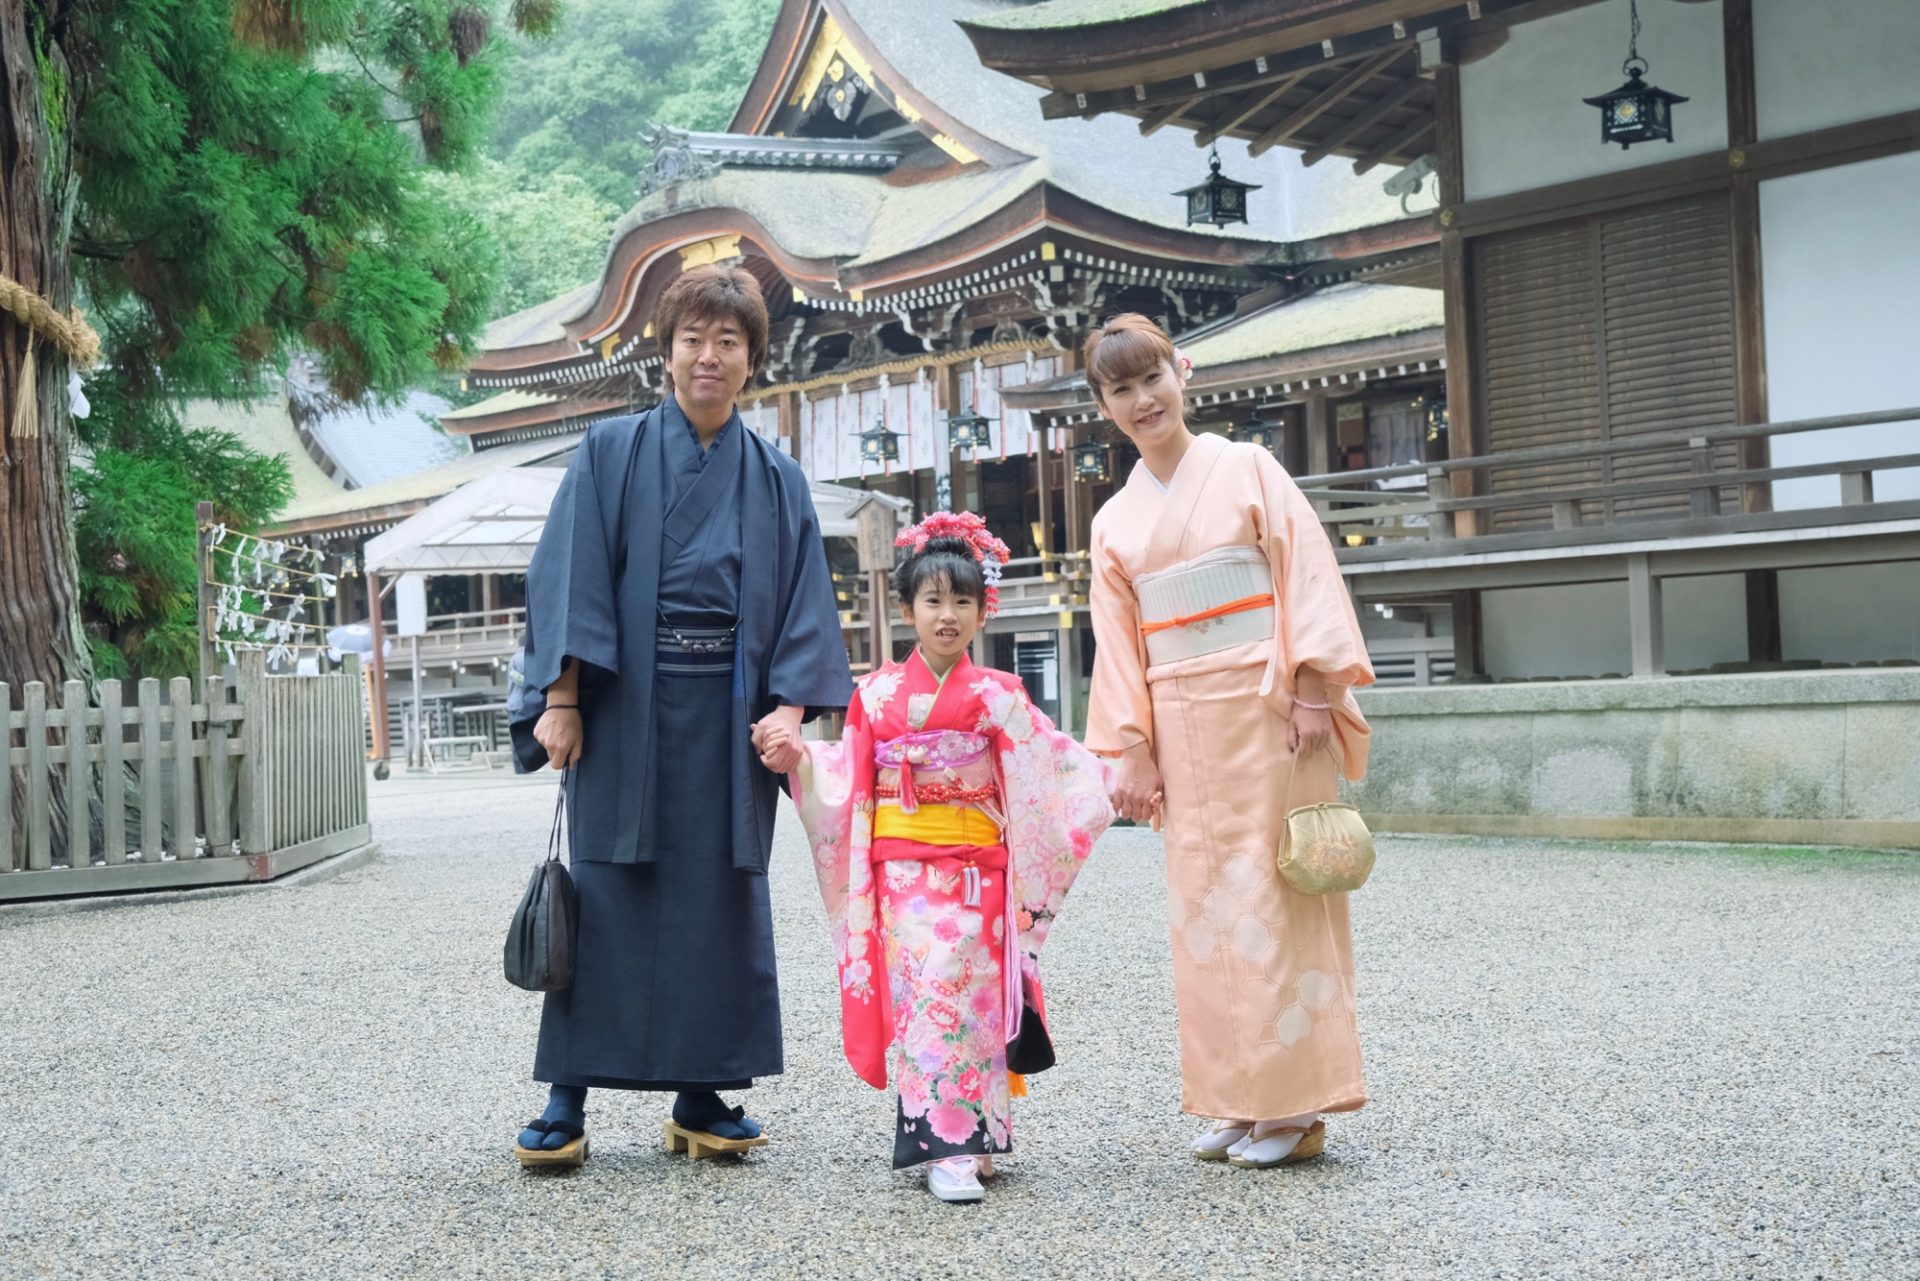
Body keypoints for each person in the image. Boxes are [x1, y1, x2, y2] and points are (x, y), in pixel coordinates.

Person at [510, 264, 852, 1169]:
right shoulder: (612, 452)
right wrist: (562, 699)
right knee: (611, 888)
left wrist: (788, 707)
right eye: (693, 338)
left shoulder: (776, 479)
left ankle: (701, 1090)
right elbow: (572, 573)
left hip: (730, 715)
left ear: (752, 363)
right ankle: (567, 1091)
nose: (709, 355)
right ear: (665, 354)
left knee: (718, 898)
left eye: (729, 342)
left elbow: (803, 607)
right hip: (622, 708)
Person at [1082, 314, 1376, 1170]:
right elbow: (1118, 641)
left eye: (1151, 380)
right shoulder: (1115, 522)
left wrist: (1317, 688)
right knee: (1205, 912)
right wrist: (1131, 747)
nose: (1142, 401)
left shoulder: (1248, 468)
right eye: (1120, 389)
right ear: (1103, 405)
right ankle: (1238, 1098)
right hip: (1179, 720)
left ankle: (1297, 1103)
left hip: (1267, 706)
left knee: (1281, 895)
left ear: (1184, 372)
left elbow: (1305, 572)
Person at [768, 512, 1113, 1202]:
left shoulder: (1000, 697)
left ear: (982, 610)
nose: (947, 615)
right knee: (930, 989)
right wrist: (798, 758)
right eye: (933, 601)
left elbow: (1050, 770)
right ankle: (945, 1144)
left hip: (979, 871)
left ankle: (978, 1133)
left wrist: (1115, 776)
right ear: (907, 610)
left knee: (978, 1001)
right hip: (903, 875)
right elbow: (844, 777)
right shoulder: (875, 697)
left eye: (962, 601)